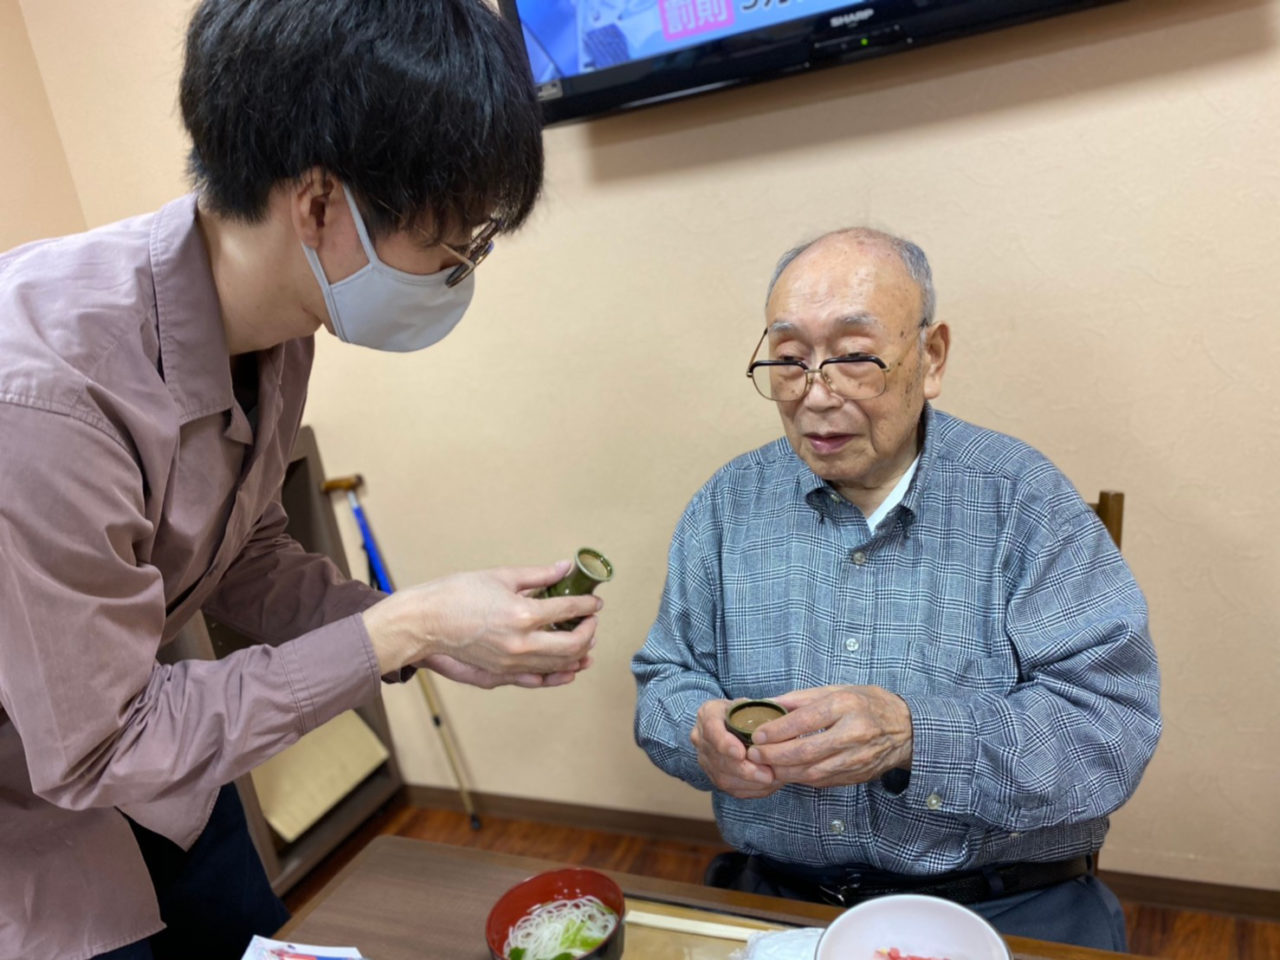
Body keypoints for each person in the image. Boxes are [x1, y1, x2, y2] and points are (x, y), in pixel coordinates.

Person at [0, 2, 600, 959]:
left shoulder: (278, 321)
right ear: (320, 206)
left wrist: (418, 633)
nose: (460, 271)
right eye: (455, 240)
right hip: (37, 810)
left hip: (152, 766)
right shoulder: (42, 396)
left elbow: (244, 554)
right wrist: (405, 627)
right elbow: (104, 745)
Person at [631, 228, 1161, 951]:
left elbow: (1111, 732)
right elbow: (664, 680)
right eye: (788, 360)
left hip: (1005, 904)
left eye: (854, 357)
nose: (816, 396)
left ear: (932, 356)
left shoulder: (1024, 501)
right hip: (784, 900)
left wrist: (913, 736)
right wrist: (700, 736)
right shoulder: (727, 504)